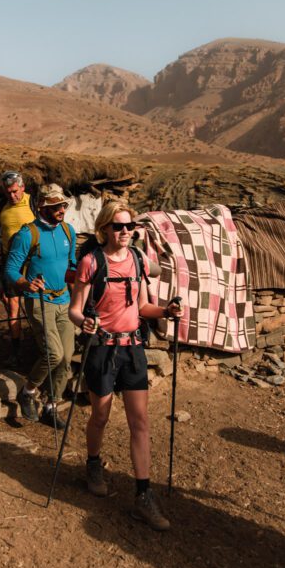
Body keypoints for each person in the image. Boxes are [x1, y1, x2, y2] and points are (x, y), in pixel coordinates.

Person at [68, 200, 182, 532]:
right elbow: (75, 308)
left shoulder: (138, 259)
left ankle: (144, 495)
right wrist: (84, 321)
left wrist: (166, 313)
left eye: (129, 226)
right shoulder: (91, 262)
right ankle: (93, 464)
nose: (125, 232)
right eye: (118, 226)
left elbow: (144, 305)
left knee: (140, 422)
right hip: (102, 349)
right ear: (104, 229)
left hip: (133, 349)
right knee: (100, 415)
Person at [5, 183, 76, 429]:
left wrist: (83, 279)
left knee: (66, 358)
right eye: (55, 205)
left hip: (64, 300)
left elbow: (73, 265)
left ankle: (51, 406)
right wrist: (26, 283)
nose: (61, 209)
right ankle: (28, 391)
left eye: (63, 205)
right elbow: (10, 269)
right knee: (53, 353)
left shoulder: (68, 231)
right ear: (42, 207)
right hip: (39, 301)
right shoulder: (28, 234)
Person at [0, 171, 36, 365]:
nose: (12, 196)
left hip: (32, 261)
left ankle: (40, 346)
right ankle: (17, 351)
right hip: (9, 261)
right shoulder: (1, 206)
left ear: (22, 188)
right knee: (12, 305)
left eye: (15, 191)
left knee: (35, 304)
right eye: (8, 192)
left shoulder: (34, 203)